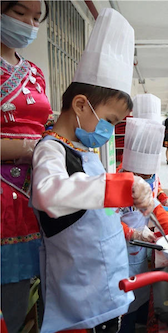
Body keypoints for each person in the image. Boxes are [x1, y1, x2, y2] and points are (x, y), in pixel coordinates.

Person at [30, 9, 154, 332]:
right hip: (80, 302)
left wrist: (132, 198)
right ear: (81, 105)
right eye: (110, 121)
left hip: (108, 291)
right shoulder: (51, 149)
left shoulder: (87, 152)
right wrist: (118, 187)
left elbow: (102, 209)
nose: (110, 131)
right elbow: (49, 193)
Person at [0, 1, 52, 331]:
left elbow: (42, 124)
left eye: (36, 18)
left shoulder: (35, 72)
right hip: (3, 199)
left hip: (36, 194)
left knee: (36, 297)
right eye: (20, 14)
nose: (29, 25)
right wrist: (26, 147)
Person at [118, 117, 168, 333]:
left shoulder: (148, 179)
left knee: (142, 289)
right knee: (126, 297)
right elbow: (107, 220)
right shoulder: (118, 182)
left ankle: (142, 319)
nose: (146, 180)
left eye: (149, 176)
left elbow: (154, 206)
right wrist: (131, 233)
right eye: (142, 176)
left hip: (141, 246)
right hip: (121, 247)